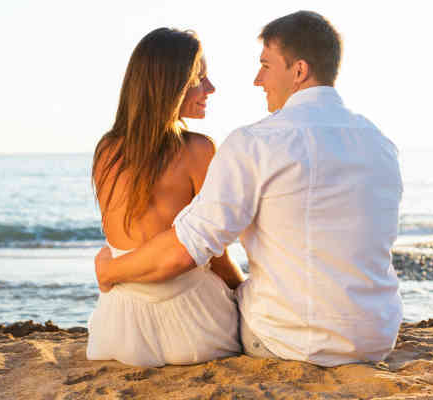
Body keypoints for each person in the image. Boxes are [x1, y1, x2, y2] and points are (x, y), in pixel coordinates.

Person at [95, 11, 404, 367]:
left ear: (299, 71)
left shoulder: (256, 142)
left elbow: (188, 248)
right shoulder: (380, 143)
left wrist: (109, 271)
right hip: (377, 337)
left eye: (266, 65)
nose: (258, 80)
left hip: (287, 342)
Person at [86, 27, 243, 367]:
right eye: (199, 78)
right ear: (170, 85)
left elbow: (122, 241)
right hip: (193, 328)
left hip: (117, 330)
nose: (210, 88)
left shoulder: (106, 150)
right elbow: (215, 254)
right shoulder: (199, 150)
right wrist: (243, 290)